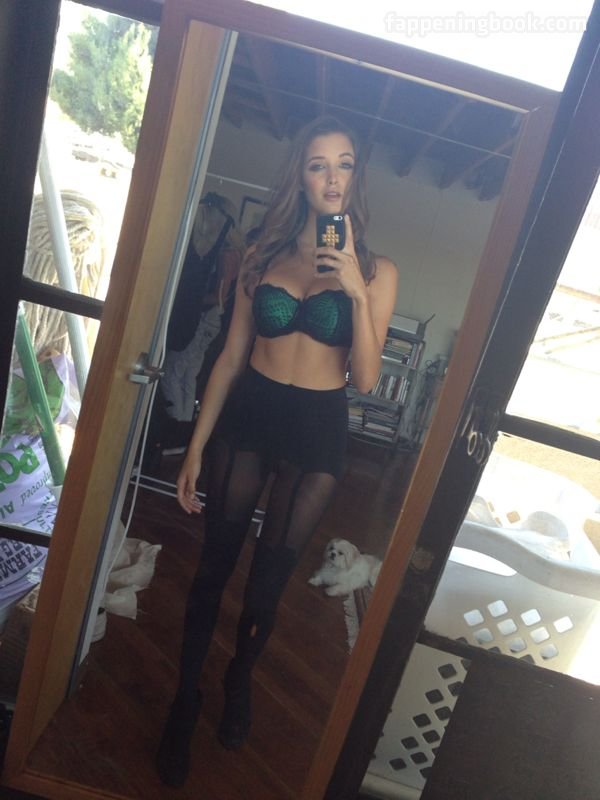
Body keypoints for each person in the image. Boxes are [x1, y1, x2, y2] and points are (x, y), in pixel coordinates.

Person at [156, 115, 398, 787]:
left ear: (355, 177)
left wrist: (354, 291)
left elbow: (366, 379)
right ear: (302, 175)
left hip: (317, 430)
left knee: (268, 584)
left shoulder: (377, 271)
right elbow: (231, 355)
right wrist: (195, 447)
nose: (332, 177)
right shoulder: (263, 252)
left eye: (344, 164)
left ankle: (240, 678)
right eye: (318, 164)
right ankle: (183, 701)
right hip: (250, 416)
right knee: (212, 570)